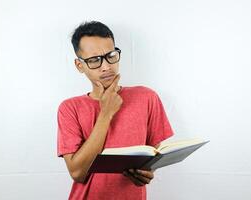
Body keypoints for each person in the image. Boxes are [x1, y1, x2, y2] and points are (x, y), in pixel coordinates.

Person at [57, 21, 174, 200]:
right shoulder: (69, 108)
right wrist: (106, 113)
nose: (106, 66)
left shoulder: (147, 97)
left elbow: (153, 157)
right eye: (94, 60)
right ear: (80, 65)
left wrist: (147, 172)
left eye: (111, 55)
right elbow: (78, 172)